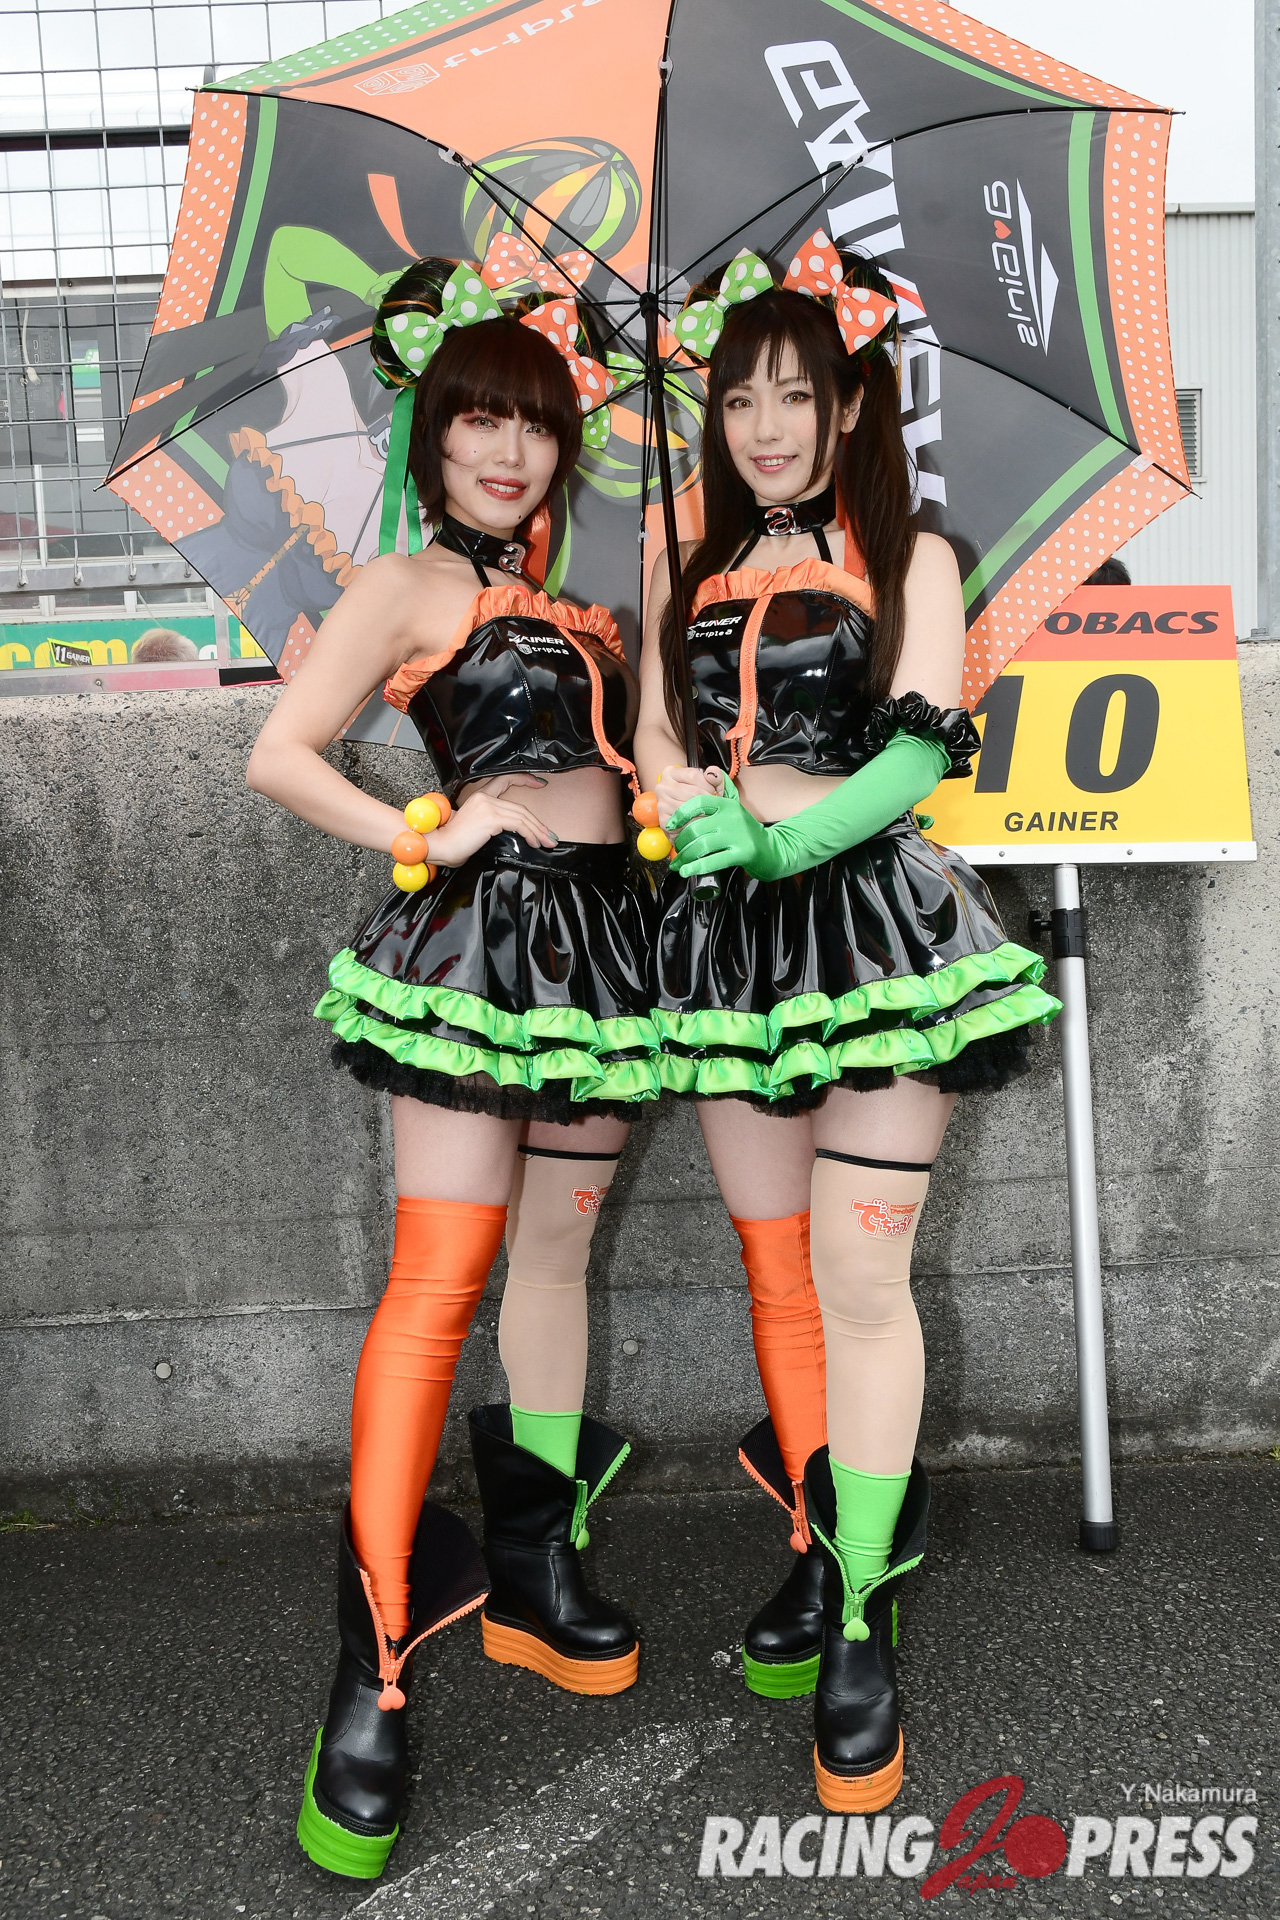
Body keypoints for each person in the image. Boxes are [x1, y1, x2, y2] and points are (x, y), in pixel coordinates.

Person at [634, 235, 1061, 1813]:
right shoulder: (682, 556)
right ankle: (822, 1542)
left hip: (876, 934)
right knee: (781, 1278)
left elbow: (918, 751)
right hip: (728, 946)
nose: (763, 426)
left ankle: (863, 1616)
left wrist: (782, 842)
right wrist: (682, 801)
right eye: (739, 397)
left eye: (795, 395)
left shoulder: (914, 554)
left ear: (852, 404)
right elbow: (655, 729)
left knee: (862, 1278)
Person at [247, 253, 659, 1879]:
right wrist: (425, 830)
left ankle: (537, 1574)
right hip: (479, 956)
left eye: (536, 423)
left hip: (607, 957)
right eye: (481, 418)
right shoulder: (407, 587)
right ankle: (372, 1666)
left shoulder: (583, 603)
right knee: (438, 1281)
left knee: (554, 1260)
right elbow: (279, 752)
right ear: (433, 435)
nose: (509, 448)